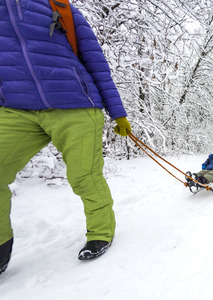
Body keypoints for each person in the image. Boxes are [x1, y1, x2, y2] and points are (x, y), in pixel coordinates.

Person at [0, 0, 132, 275]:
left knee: (84, 175)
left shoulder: (59, 7)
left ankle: (101, 231)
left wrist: (117, 112)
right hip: (15, 108)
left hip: (76, 104)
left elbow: (95, 61)